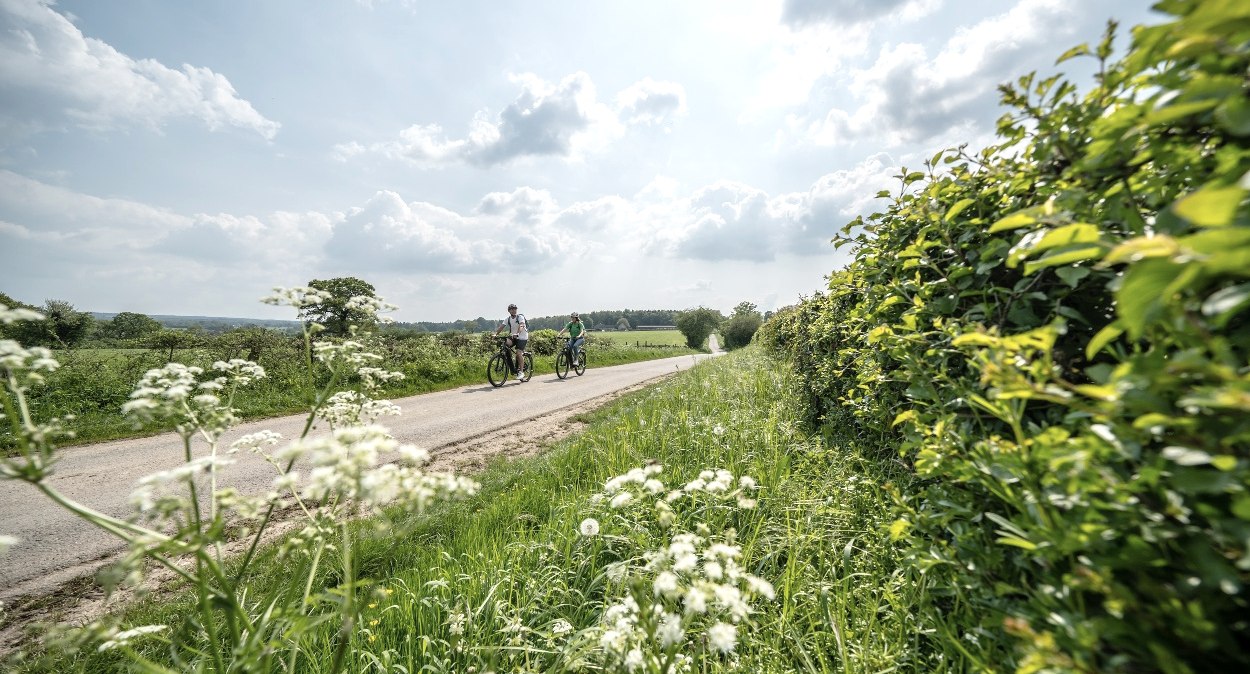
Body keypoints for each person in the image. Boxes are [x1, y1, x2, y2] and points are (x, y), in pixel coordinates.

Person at [494, 303, 528, 378]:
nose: (514, 310)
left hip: (522, 337)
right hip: (513, 336)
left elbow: (521, 325)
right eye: (512, 309)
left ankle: (521, 372)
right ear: (509, 311)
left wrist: (518, 333)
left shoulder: (520, 317)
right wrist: (495, 334)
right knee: (505, 345)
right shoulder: (508, 319)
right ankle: (512, 368)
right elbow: (501, 327)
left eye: (515, 309)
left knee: (518, 353)